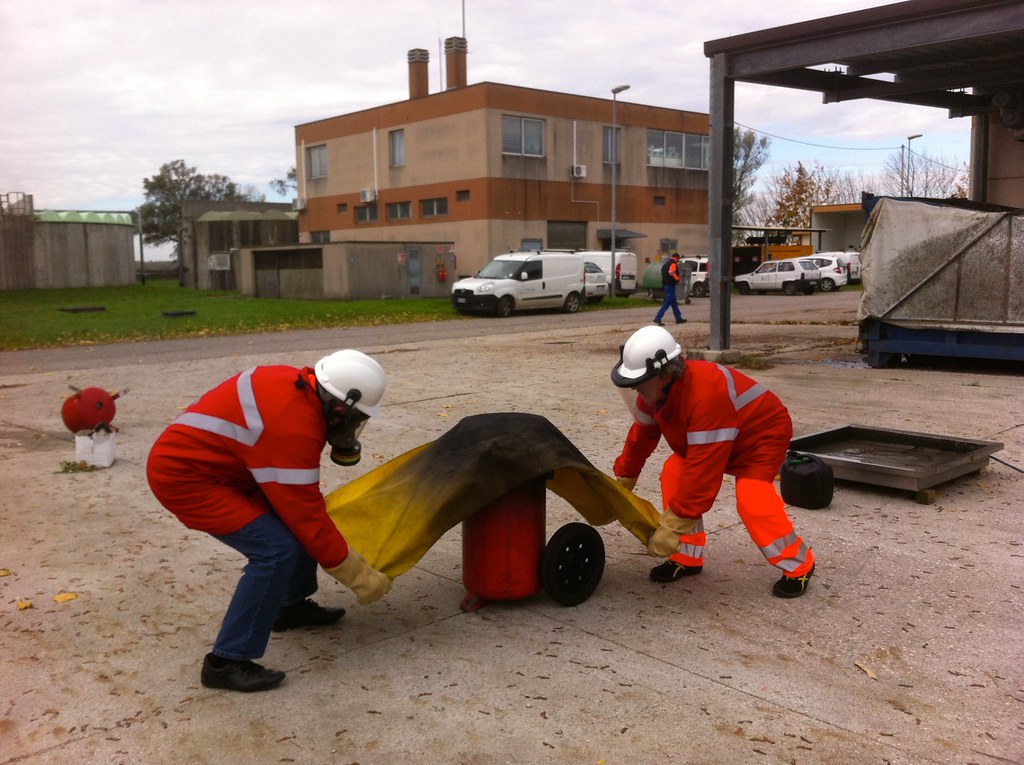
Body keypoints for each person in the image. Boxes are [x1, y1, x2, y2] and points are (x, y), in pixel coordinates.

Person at [147, 350, 392, 692]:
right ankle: (226, 661)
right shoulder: (293, 429)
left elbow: (303, 510)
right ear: (339, 406)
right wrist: (360, 576)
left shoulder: (295, 382)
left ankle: (288, 608)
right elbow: (307, 516)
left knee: (295, 528)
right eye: (354, 418)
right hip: (187, 480)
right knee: (276, 549)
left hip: (226, 469)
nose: (353, 426)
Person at [610, 326, 815, 598]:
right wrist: (625, 476)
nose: (635, 389)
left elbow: (703, 473)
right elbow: (641, 437)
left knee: (753, 500)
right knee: (673, 473)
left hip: (760, 436)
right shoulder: (655, 393)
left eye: (639, 383)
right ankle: (687, 556)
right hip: (718, 435)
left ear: (663, 373)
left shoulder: (705, 393)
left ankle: (798, 564)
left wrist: (672, 526)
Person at [653, 251, 686, 326]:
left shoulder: (665, 264)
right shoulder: (673, 263)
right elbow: (671, 272)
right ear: (676, 258)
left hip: (666, 285)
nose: (678, 261)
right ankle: (658, 318)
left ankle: (678, 318)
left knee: (674, 303)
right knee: (667, 302)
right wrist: (678, 280)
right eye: (678, 260)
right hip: (670, 286)